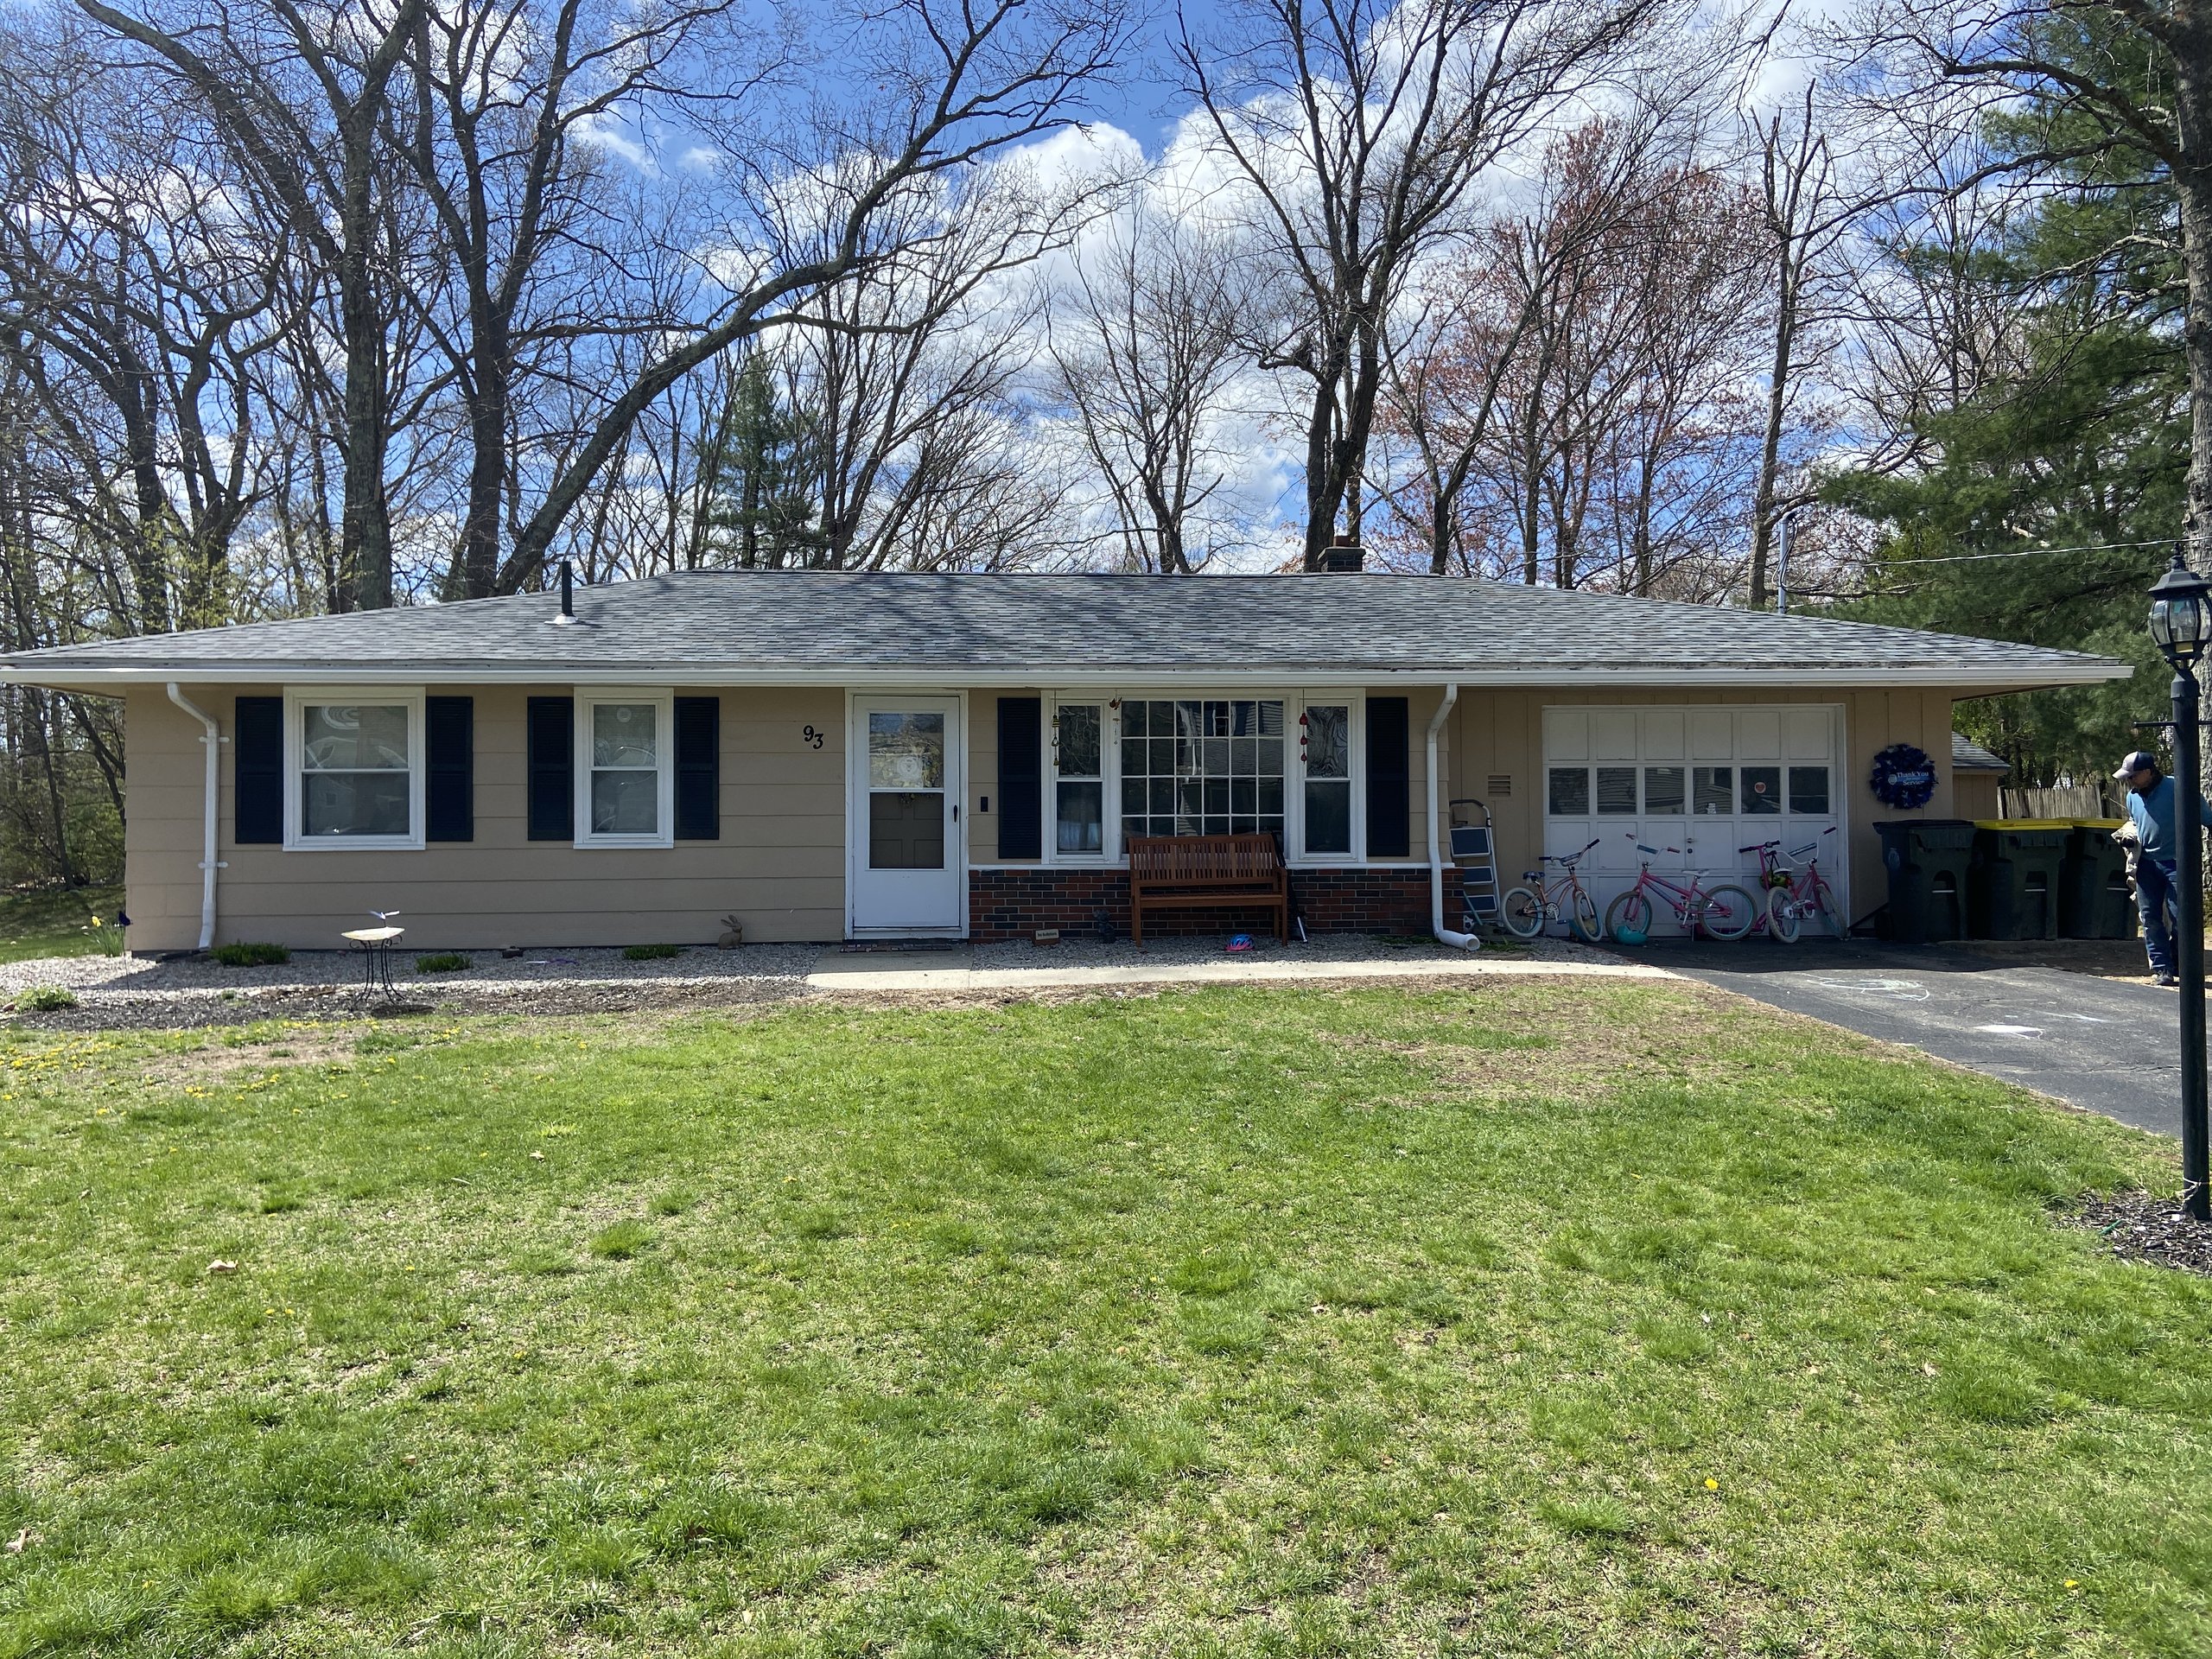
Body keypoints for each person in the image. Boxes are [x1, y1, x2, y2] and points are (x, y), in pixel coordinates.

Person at [2116, 749, 2212, 986]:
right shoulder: (2133, 796)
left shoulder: (2179, 788)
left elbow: (2208, 818)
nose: (2129, 781)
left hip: (2178, 863)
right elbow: (2136, 823)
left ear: (2148, 772)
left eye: (2133, 776)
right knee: (2149, 917)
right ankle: (2162, 969)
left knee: (2183, 917)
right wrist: (2129, 836)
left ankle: (2179, 962)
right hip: (2147, 863)